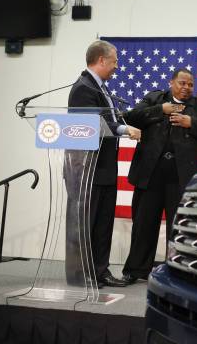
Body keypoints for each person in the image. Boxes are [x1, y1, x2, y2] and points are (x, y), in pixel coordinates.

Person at [121, 68, 197, 283]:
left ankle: (178, 272)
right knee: (143, 225)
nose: (186, 88)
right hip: (150, 175)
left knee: (179, 228)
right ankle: (136, 270)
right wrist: (161, 110)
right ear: (171, 82)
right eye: (182, 83)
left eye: (190, 85)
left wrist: (191, 123)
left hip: (181, 177)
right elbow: (131, 117)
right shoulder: (154, 99)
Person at [65, 40, 141, 288]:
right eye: (114, 61)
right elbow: (92, 125)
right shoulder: (83, 88)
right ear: (101, 60)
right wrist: (123, 129)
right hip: (87, 169)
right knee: (86, 224)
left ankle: (100, 271)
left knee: (103, 224)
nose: (117, 66)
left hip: (104, 168)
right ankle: (82, 273)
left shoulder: (103, 87)